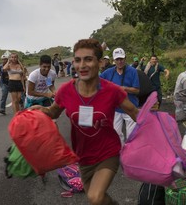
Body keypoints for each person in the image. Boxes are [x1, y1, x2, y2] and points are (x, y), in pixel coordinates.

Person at [30, 39, 139, 205]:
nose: (82, 65)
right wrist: (41, 111)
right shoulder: (66, 90)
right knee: (97, 199)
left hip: (107, 153)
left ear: (100, 62)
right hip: (83, 157)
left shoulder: (112, 90)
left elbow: (133, 111)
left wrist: (157, 135)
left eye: (88, 59)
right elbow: (53, 111)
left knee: (95, 197)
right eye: (78, 60)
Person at [100, 48, 140, 144]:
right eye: (117, 59)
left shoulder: (133, 71)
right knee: (116, 133)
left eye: (121, 59)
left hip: (130, 108)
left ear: (125, 58)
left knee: (131, 135)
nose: (120, 61)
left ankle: (130, 155)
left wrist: (124, 88)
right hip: (116, 109)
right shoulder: (108, 72)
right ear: (113, 60)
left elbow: (137, 90)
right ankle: (120, 153)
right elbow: (97, 82)